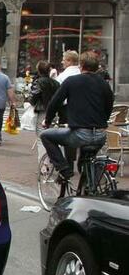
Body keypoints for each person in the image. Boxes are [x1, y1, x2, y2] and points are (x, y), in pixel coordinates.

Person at [40, 51, 114, 180]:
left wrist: (47, 121)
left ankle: (64, 169)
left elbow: (55, 103)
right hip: (100, 135)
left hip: (80, 134)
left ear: (82, 65)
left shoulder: (71, 81)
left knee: (46, 136)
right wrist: (103, 120)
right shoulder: (103, 84)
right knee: (84, 162)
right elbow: (109, 104)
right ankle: (89, 187)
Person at [29, 61, 60, 135]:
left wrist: (32, 102)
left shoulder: (38, 82)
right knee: (51, 132)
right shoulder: (56, 83)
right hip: (54, 110)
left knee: (41, 132)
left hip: (43, 109)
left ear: (39, 70)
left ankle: (42, 146)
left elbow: (34, 95)